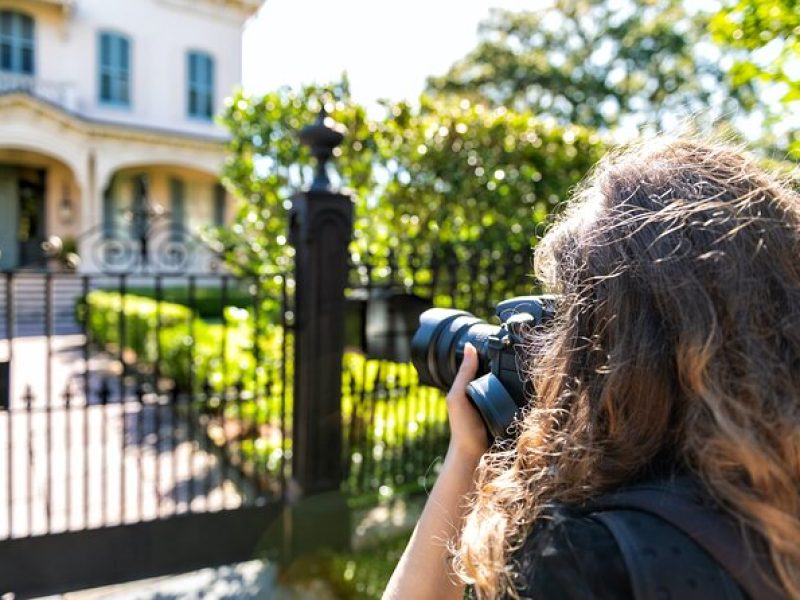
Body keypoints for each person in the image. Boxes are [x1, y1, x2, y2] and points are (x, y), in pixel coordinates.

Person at [383, 138, 800, 599]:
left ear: (618, 350)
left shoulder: (586, 559)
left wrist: (467, 456)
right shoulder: (773, 505)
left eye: (576, 319)